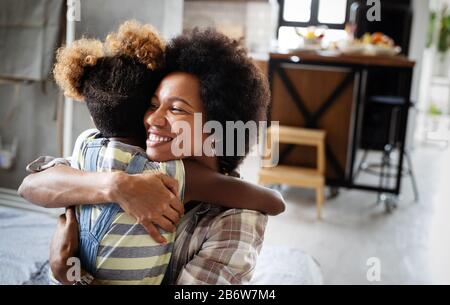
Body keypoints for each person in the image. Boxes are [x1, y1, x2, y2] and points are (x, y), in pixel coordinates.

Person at [19, 27, 275, 285]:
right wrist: (115, 186)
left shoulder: (236, 219)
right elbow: (32, 184)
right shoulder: (130, 160)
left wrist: (71, 276)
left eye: (176, 109)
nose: (152, 118)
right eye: (153, 104)